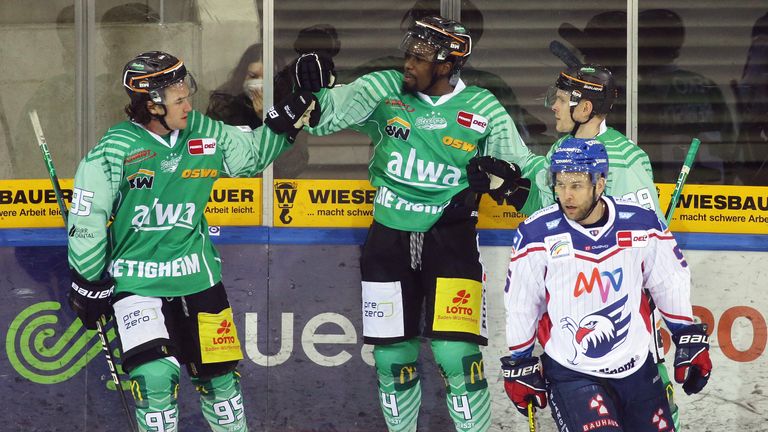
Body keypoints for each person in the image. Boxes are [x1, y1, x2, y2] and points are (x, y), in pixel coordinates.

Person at [293, 15, 548, 432]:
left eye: (420, 58)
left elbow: (522, 170)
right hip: (388, 237)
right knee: (392, 357)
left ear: (447, 65)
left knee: (456, 355)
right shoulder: (384, 88)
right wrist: (311, 90)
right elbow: (327, 115)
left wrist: (542, 182)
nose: (408, 63)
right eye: (408, 53)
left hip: (452, 237)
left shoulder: (483, 108)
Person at [65, 50, 318, 432]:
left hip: (199, 281)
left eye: (187, 96)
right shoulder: (115, 148)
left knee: (221, 384)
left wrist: (287, 124)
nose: (188, 105)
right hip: (136, 284)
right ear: (152, 105)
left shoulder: (204, 130)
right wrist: (87, 280)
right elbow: (88, 216)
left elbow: (249, 156)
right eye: (179, 99)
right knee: (154, 379)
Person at [500, 138, 712, 431]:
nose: (566, 195)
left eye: (576, 185)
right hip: (572, 372)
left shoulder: (641, 223)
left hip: (637, 367)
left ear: (599, 184)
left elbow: (669, 280)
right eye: (560, 184)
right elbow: (522, 303)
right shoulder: (536, 234)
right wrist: (520, 361)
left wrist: (686, 334)